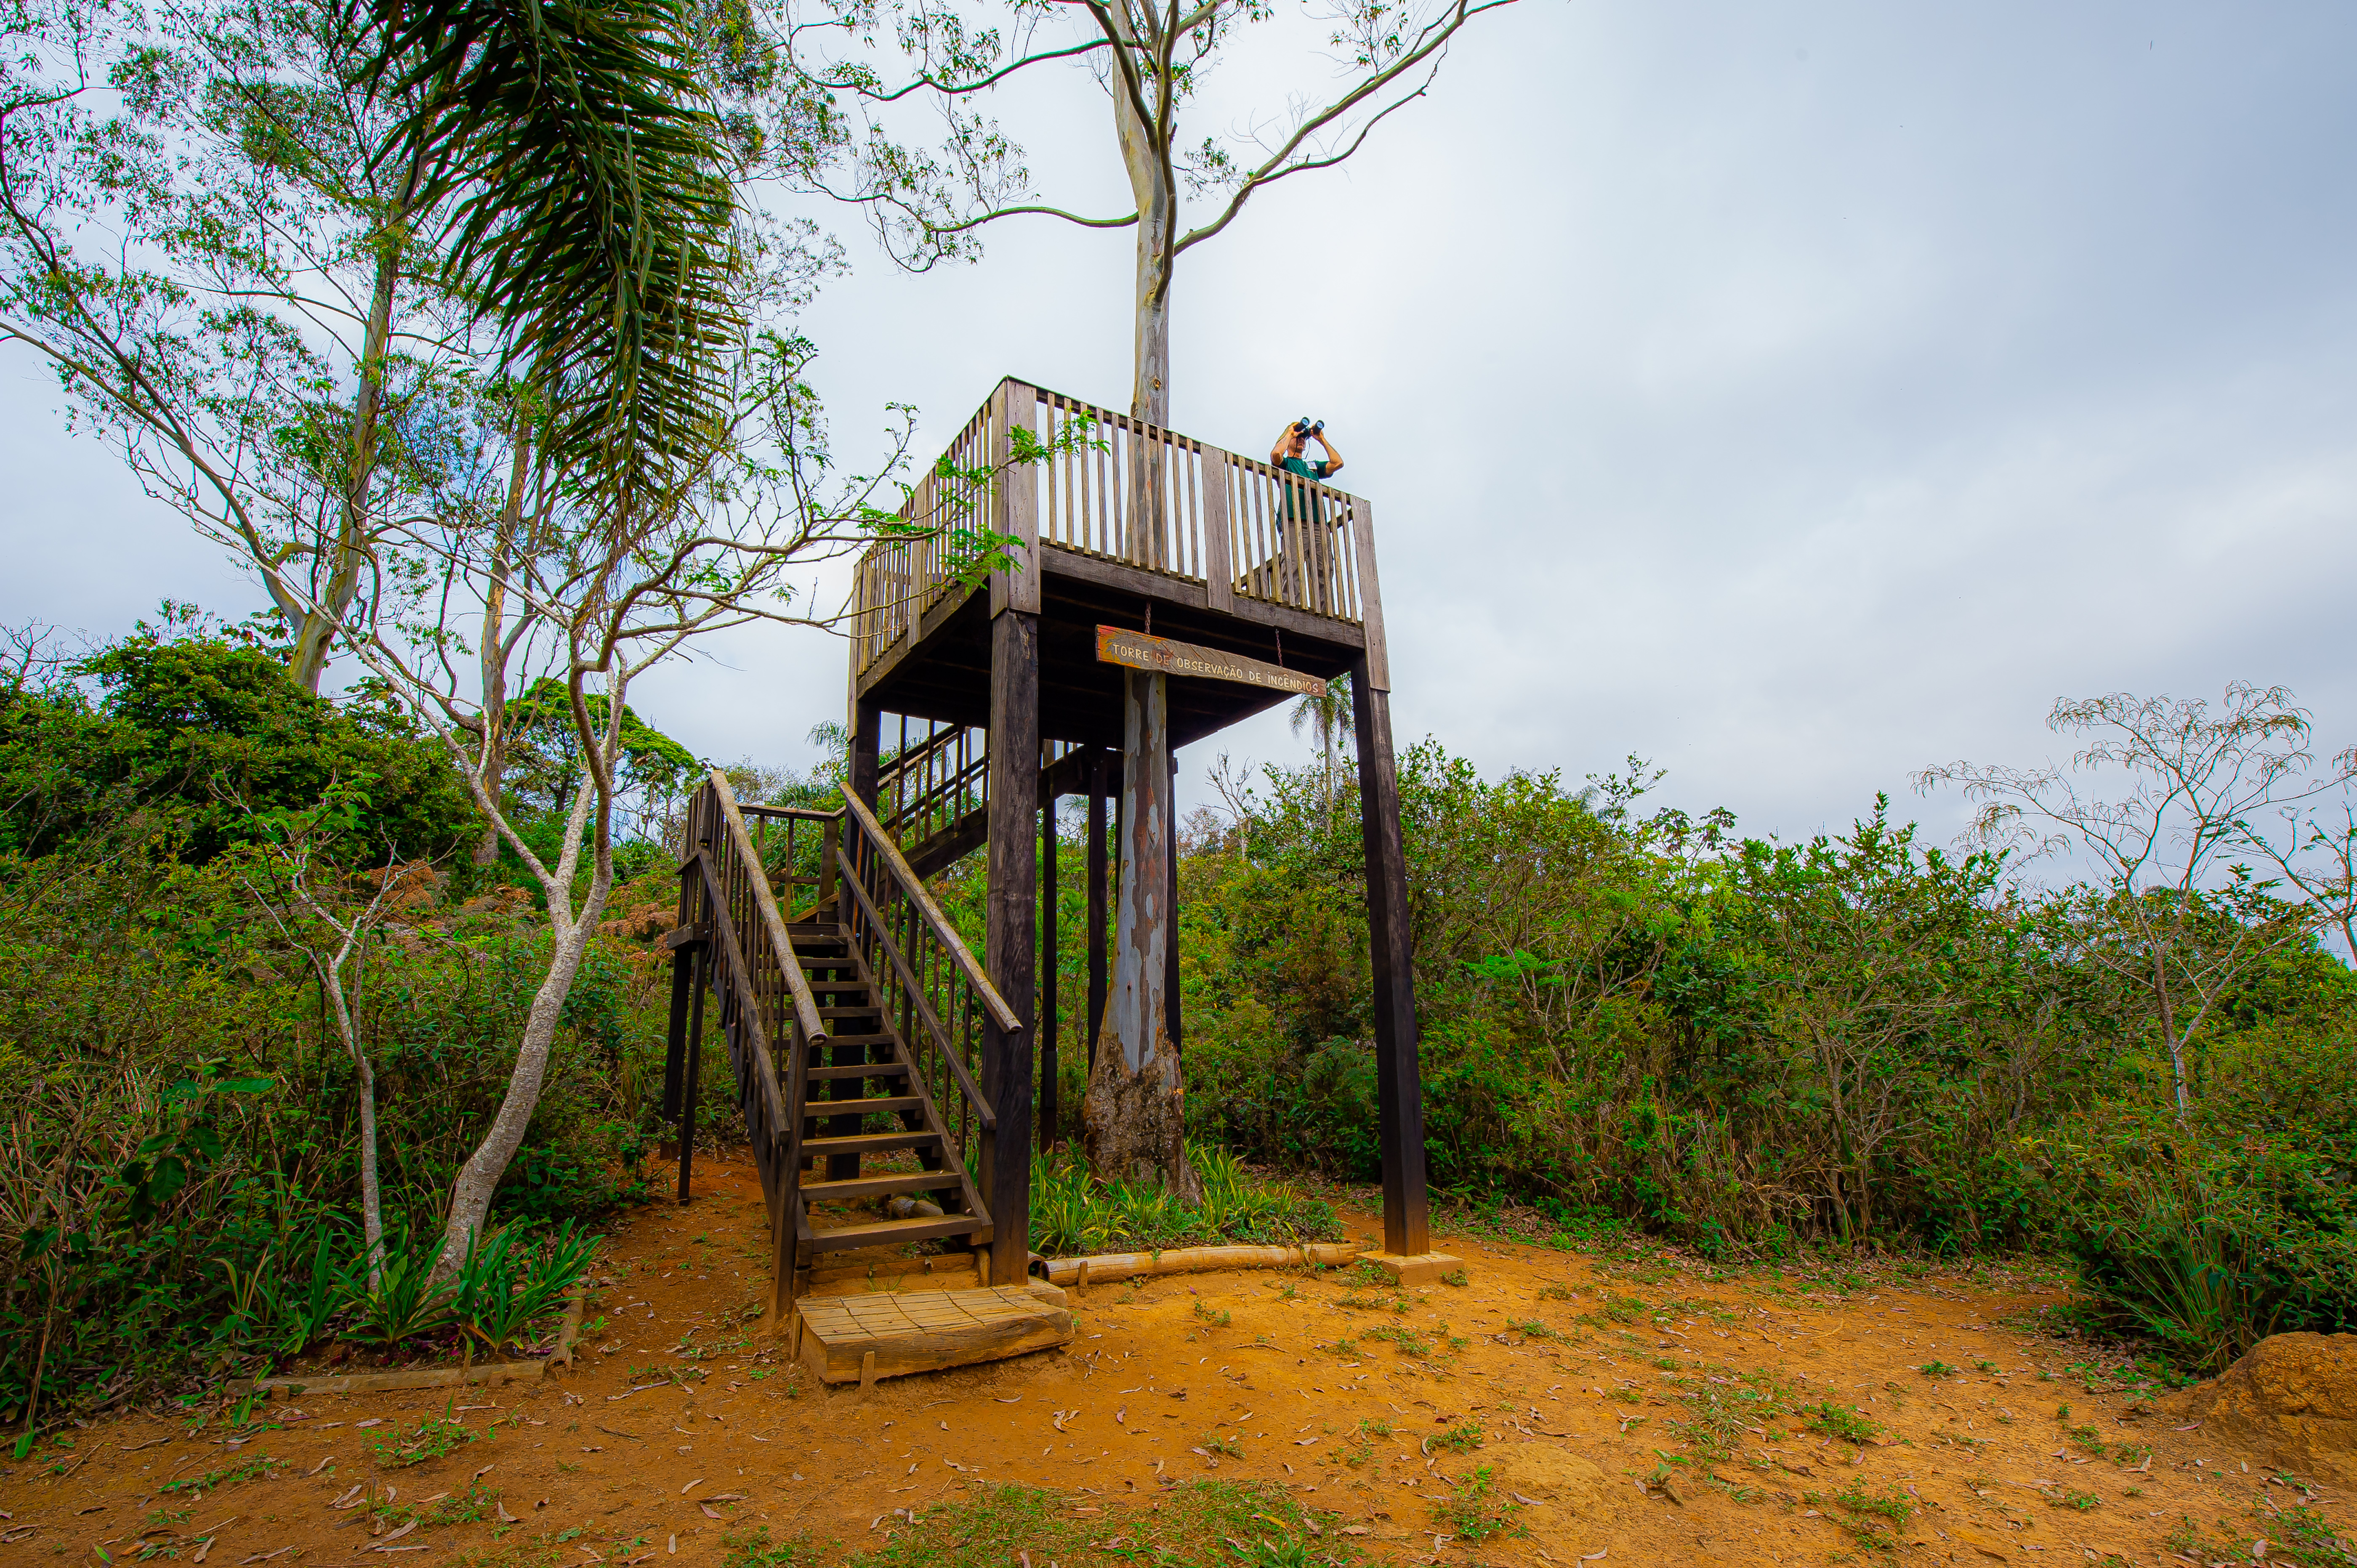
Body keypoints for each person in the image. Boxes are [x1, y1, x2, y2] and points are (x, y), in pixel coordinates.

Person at [1269, 420, 1344, 483]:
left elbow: (1338, 463)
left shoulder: (1315, 467)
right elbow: (1276, 454)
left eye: (1304, 438)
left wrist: (1322, 440)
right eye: (1298, 437)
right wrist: (1291, 434)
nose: (1302, 439)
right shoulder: (1286, 464)